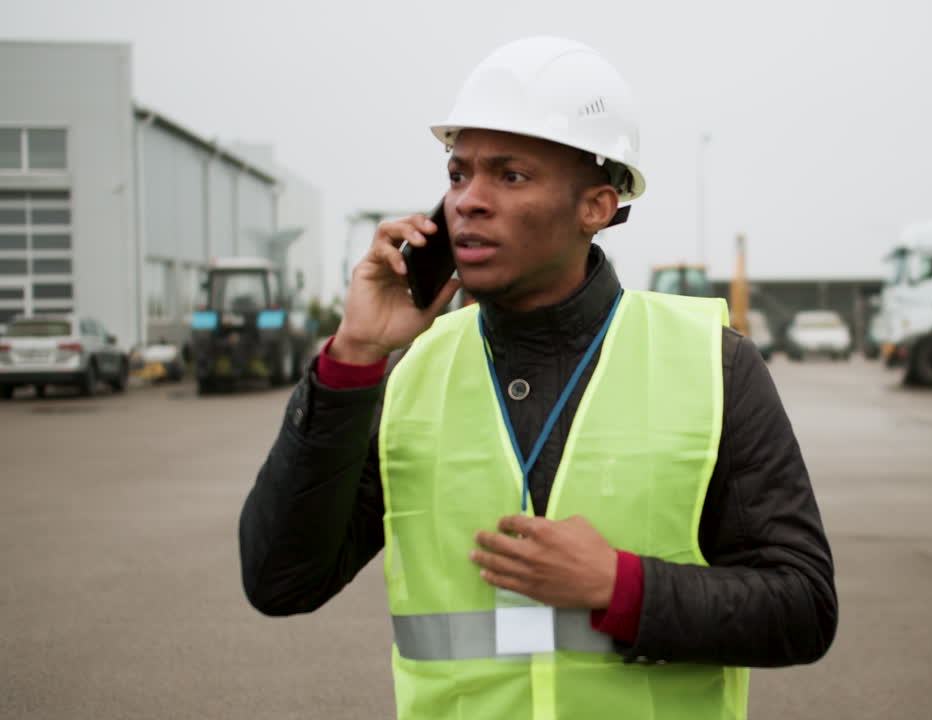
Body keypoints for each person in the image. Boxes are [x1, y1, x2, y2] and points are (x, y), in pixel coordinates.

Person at [239, 36, 836, 720]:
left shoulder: (714, 362)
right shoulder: (410, 372)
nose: (468, 201)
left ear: (597, 207)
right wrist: (353, 355)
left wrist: (621, 586)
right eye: (458, 174)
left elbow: (802, 606)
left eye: (510, 176)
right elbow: (279, 582)